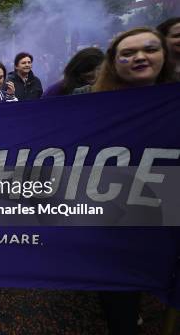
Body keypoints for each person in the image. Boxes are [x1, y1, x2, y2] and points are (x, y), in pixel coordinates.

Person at [72, 27, 175, 335]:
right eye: (127, 53)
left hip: (166, 211)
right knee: (121, 305)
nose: (140, 57)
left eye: (150, 49)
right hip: (113, 215)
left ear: (165, 56)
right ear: (114, 63)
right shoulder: (88, 105)